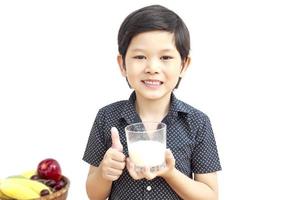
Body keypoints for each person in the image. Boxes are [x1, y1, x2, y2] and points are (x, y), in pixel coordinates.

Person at [83, 4, 221, 200]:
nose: (152, 67)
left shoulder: (198, 123)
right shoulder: (106, 117)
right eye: (140, 56)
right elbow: (94, 195)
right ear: (122, 64)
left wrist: (170, 173)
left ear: (183, 65)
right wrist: (104, 173)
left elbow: (210, 196)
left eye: (165, 57)